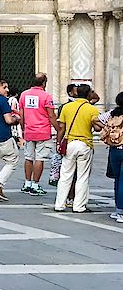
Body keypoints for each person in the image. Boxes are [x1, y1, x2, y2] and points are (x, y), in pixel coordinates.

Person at [54, 84, 104, 214]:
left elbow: (61, 128)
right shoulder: (91, 109)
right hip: (85, 144)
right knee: (82, 176)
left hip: (70, 143)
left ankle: (59, 204)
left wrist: (58, 143)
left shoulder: (67, 107)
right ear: (88, 95)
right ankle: (79, 206)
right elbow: (98, 127)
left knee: (65, 175)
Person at [19, 73, 60, 195]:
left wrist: (23, 128)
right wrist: (58, 129)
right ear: (44, 83)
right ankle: (35, 185)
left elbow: (21, 114)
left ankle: (27, 183)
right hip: (42, 131)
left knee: (28, 157)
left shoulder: (24, 95)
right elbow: (51, 115)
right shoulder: (46, 96)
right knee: (40, 158)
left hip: (29, 130)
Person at [100, 92, 123, 222]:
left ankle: (118, 210)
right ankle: (121, 212)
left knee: (118, 179)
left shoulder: (112, 113)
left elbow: (97, 119)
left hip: (114, 149)